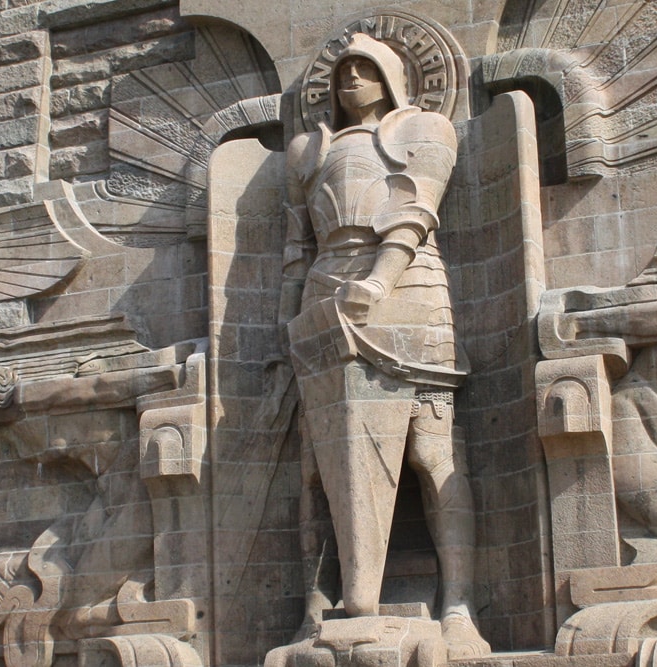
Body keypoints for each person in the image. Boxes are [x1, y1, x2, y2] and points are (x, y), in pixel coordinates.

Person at [278, 33, 488, 658]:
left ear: (392, 77)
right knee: (317, 466)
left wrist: (379, 280)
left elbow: (416, 211)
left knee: (431, 451)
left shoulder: (424, 129)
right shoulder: (308, 149)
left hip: (410, 287)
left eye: (365, 69)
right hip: (324, 292)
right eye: (343, 70)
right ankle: (317, 607)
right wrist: (285, 327)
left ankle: (459, 606)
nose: (351, 79)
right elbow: (296, 246)